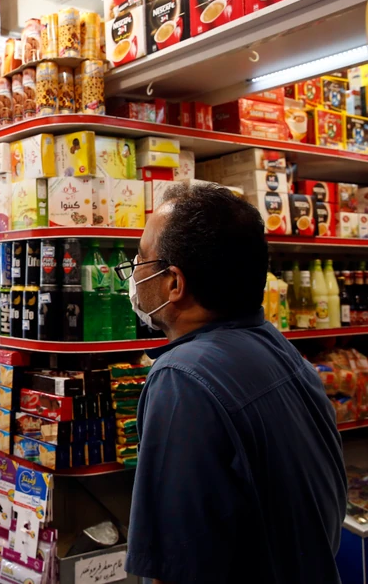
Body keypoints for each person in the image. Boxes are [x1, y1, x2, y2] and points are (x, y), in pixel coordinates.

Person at [119, 184, 346, 584]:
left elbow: (177, 566)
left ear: (174, 283)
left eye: (142, 257)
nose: (135, 270)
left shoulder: (182, 378)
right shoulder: (275, 346)